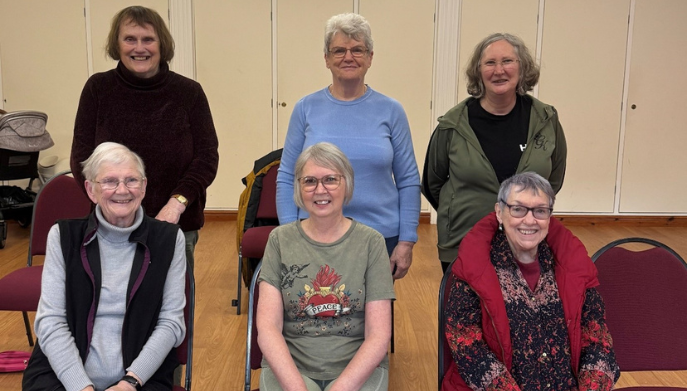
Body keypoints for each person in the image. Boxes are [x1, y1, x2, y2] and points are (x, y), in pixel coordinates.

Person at [23, 142, 186, 391]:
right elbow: (51, 322)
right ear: (91, 190)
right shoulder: (63, 236)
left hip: (140, 378)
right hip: (63, 376)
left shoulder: (168, 239)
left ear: (143, 187)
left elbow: (171, 323)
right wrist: (81, 386)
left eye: (132, 180)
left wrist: (130, 382)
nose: (122, 190)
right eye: (109, 181)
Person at [70, 5, 219, 272]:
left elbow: (206, 158)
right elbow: (82, 159)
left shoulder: (189, 92)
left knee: (173, 307)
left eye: (148, 39)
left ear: (162, 44)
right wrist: (112, 208)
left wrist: (176, 205)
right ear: (117, 44)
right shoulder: (97, 89)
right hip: (111, 226)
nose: (140, 48)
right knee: (112, 309)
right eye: (130, 39)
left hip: (175, 224)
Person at [441, 172, 619, 391]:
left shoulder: (573, 267)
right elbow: (465, 343)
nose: (529, 220)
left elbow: (596, 336)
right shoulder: (475, 268)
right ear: (499, 212)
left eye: (540, 211)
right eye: (518, 209)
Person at [276, 13, 421, 279]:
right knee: (315, 314)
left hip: (380, 237)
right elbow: (287, 176)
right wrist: (288, 233)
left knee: (374, 317)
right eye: (339, 50)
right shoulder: (305, 108)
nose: (348, 57)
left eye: (357, 50)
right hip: (315, 234)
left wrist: (406, 241)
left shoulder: (392, 111)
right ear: (327, 59)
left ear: (370, 57)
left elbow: (409, 180)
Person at [422, 33, 567, 273]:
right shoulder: (453, 124)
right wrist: (461, 211)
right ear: (478, 71)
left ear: (522, 68)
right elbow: (432, 183)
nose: (499, 70)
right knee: (464, 311)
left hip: (527, 242)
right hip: (464, 241)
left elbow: (553, 180)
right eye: (490, 63)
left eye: (507, 61)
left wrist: (523, 213)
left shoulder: (546, 120)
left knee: (522, 310)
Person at [258, 142, 395, 391]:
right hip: (291, 368)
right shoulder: (279, 240)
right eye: (309, 181)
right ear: (299, 188)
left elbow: (378, 335)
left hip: (357, 369)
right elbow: (268, 328)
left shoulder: (371, 242)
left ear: (347, 185)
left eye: (330, 179)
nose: (320, 190)